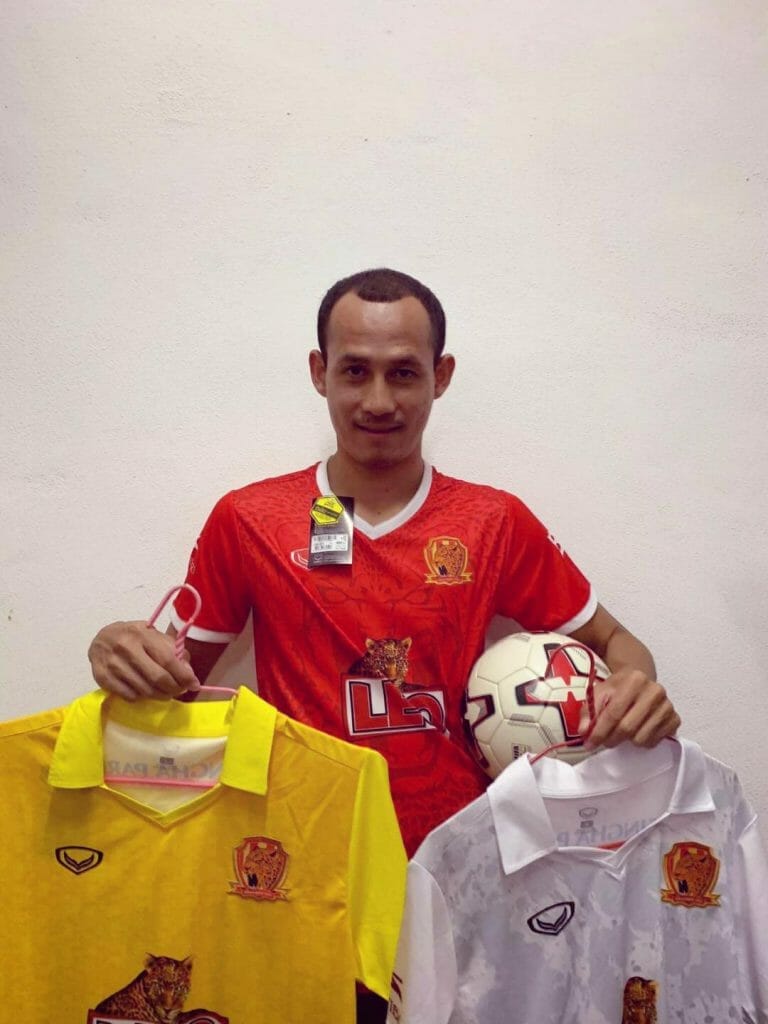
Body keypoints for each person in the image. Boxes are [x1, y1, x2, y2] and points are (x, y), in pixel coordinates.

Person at [88, 267, 680, 1021]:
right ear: (318, 372)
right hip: (304, 868)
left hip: (458, 866)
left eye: (403, 373)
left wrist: (636, 684)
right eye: (354, 371)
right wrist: (118, 651)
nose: (377, 400)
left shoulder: (493, 521)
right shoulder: (250, 519)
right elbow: (174, 679)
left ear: (441, 376)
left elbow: (616, 641)